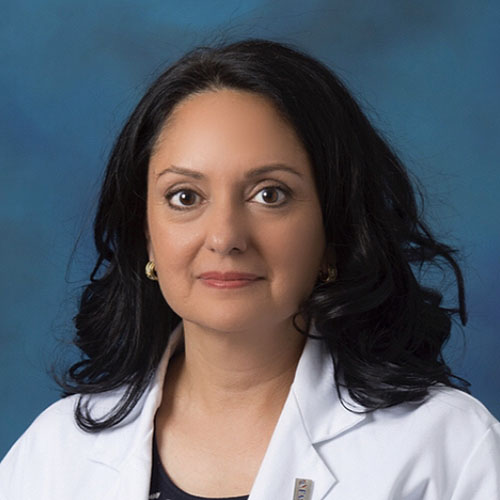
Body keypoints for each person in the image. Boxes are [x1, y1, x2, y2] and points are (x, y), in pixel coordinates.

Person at [0, 38, 499, 500]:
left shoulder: (447, 450)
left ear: (335, 228)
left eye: (270, 194)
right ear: (145, 232)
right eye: (185, 197)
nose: (225, 238)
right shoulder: (56, 454)